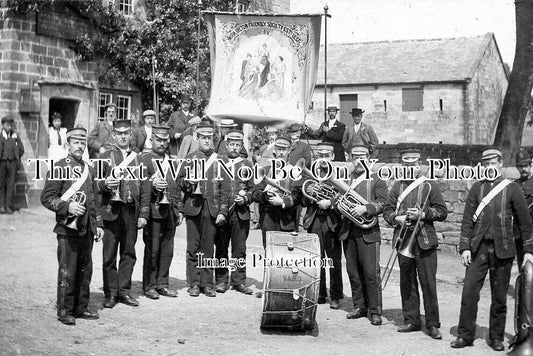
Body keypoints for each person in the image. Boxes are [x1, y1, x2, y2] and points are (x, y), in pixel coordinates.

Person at [450, 147, 533, 351]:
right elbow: (467, 221)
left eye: (493, 163)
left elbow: (525, 224)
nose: (489, 167)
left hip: (503, 249)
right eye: (486, 164)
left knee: (499, 296)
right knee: (469, 293)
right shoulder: (477, 189)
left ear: (500, 164)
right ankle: (465, 335)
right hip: (478, 249)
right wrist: (465, 248)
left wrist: (529, 251)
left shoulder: (512, 189)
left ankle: (496, 337)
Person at [40, 127, 104, 325]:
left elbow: (94, 200)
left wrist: (99, 224)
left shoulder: (89, 169)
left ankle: (81, 307)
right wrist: (67, 206)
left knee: (85, 269)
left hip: (86, 228)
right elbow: (47, 198)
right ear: (67, 145)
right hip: (67, 229)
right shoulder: (59, 167)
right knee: (68, 269)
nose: (80, 146)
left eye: (82, 142)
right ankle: (65, 309)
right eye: (76, 142)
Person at [383, 148, 447, 339]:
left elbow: (442, 211)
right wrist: (398, 219)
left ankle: (433, 324)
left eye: (413, 161)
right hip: (403, 240)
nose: (410, 164)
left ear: (420, 163)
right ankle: (411, 320)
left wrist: (424, 214)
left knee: (428, 283)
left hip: (424, 240)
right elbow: (387, 211)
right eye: (406, 161)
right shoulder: (397, 186)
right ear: (402, 164)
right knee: (407, 282)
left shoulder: (429, 185)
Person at [97, 119, 150, 308]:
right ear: (113, 135)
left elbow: (145, 187)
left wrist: (143, 213)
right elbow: (95, 184)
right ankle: (110, 294)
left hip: (130, 211)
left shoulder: (139, 158)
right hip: (111, 210)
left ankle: (124, 291)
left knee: (129, 253)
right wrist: (105, 184)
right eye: (119, 133)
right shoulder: (104, 157)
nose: (123, 136)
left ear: (130, 135)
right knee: (109, 255)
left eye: (126, 133)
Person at [179, 123, 230, 297]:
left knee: (208, 248)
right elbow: (180, 181)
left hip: (212, 209)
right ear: (197, 138)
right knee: (193, 247)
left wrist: (223, 211)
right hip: (193, 207)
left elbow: (226, 188)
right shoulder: (190, 157)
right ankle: (193, 283)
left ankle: (207, 283)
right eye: (203, 137)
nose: (207, 140)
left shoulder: (221, 159)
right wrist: (188, 183)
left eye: (210, 137)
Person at [342, 145, 388, 324]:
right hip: (349, 231)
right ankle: (359, 306)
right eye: (355, 157)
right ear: (351, 159)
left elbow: (383, 203)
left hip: (369, 232)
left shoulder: (377, 180)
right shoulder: (347, 180)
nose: (359, 160)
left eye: (362, 157)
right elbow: (340, 199)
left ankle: (375, 310)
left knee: (371, 273)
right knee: (353, 271)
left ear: (368, 158)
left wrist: (366, 208)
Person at [139, 125, 183, 299]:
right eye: (158, 139)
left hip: (170, 211)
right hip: (153, 211)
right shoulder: (143, 159)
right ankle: (149, 285)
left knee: (167, 250)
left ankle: (162, 284)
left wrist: (178, 209)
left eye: (165, 140)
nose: (162, 143)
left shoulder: (173, 161)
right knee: (153, 249)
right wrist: (152, 184)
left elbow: (176, 186)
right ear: (151, 140)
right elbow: (139, 185)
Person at [301, 142, 343, 309]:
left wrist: (330, 202)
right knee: (317, 259)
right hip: (314, 220)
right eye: (321, 156)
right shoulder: (310, 175)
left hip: (332, 220)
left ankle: (335, 296)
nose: (323, 159)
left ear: (332, 156)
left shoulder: (340, 175)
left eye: (327, 156)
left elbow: (345, 196)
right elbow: (302, 199)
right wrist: (311, 195)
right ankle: (319, 293)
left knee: (333, 260)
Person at [214, 129, 254, 295]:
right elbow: (214, 189)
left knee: (239, 248)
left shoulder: (247, 164)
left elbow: (253, 190)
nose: (234, 148)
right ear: (226, 144)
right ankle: (221, 280)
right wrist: (219, 211)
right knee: (221, 247)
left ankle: (238, 281)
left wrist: (245, 199)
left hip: (241, 213)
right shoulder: (218, 162)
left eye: (238, 145)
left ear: (241, 146)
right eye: (232, 144)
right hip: (223, 213)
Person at [252, 136, 302, 248]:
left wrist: (283, 201)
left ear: (289, 151)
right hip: (268, 218)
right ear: (274, 150)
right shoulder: (265, 170)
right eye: (278, 149)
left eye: (284, 150)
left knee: (287, 256)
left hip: (287, 220)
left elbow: (298, 195)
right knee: (269, 254)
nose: (281, 153)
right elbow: (255, 193)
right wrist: (265, 196)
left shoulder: (293, 171)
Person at [0, 116, 24, 214]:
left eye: (10, 125)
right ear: (3, 125)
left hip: (12, 163)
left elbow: (22, 149)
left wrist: (16, 157)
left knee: (10, 185)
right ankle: (1, 206)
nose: (9, 127)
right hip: (1, 163)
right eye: (7, 125)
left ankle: (8, 206)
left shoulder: (15, 136)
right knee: (1, 185)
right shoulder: (0, 135)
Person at [514, 148, 533, 269]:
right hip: (519, 234)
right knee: (523, 267)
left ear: (531, 165)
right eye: (520, 166)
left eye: (526, 165)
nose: (523, 169)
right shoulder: (514, 186)